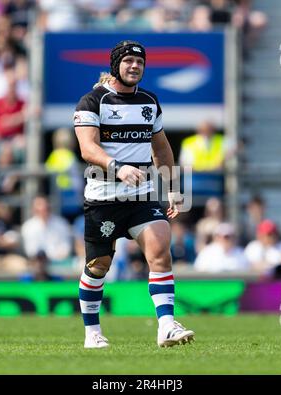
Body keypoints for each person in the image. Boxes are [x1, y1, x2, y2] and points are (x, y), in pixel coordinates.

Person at [74, 40, 194, 349]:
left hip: (140, 196)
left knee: (160, 251)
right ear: (116, 65)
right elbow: (88, 149)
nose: (134, 66)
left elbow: (162, 147)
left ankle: (166, 325)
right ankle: (92, 333)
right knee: (99, 266)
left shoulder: (149, 102)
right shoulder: (92, 102)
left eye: (139, 62)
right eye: (128, 61)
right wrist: (119, 168)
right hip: (103, 197)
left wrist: (173, 187)